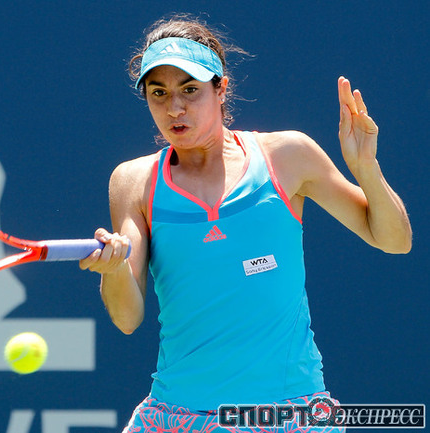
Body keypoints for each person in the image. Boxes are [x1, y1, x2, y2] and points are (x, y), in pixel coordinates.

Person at [79, 15, 412, 433]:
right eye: (158, 93)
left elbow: (394, 240)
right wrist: (113, 271)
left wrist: (366, 168)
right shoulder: (132, 181)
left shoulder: (288, 155)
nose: (174, 108)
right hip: (177, 417)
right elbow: (126, 318)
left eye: (190, 89)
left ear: (221, 88)